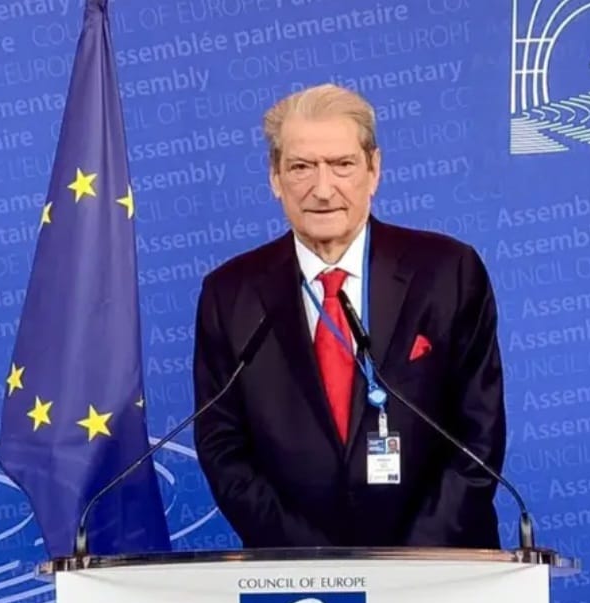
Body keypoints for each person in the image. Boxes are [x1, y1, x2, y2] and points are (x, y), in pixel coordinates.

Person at [191, 83, 507, 549]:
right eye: (301, 167)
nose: (322, 189)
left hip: (442, 570)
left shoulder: (447, 272)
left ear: (374, 169)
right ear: (274, 177)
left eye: (342, 165)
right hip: (297, 578)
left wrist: (411, 562)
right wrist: (314, 560)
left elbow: (478, 434)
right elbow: (223, 448)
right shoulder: (230, 293)